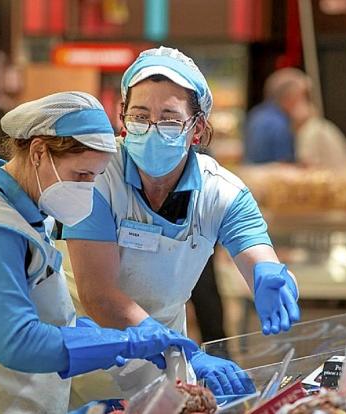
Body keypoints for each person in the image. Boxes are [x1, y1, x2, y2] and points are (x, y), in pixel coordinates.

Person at [0, 92, 198, 414]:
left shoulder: (22, 212)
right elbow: (17, 342)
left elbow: (46, 318)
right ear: (39, 152)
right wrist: (124, 343)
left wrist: (115, 342)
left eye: (96, 177)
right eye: (81, 175)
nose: (88, 188)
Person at [61, 47, 301, 401]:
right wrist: (185, 351)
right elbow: (99, 295)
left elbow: (258, 255)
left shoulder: (222, 191)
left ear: (197, 128)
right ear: (123, 118)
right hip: (83, 355)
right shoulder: (96, 176)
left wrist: (273, 277)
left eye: (170, 119)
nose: (153, 129)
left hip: (163, 364)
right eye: (140, 116)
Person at [243, 67, 311, 164]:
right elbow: (284, 164)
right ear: (289, 96)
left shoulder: (256, 113)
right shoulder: (280, 123)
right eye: (302, 96)